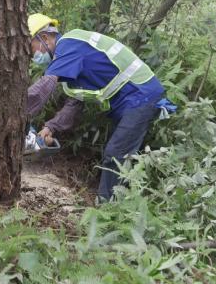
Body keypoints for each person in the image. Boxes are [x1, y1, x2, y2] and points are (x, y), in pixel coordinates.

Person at [26, 13, 165, 202]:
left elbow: (44, 86)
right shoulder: (67, 60)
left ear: (44, 37)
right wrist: (51, 127)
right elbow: (74, 105)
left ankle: (107, 213)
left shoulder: (69, 45)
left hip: (141, 95)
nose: (31, 54)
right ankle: (123, 204)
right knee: (120, 156)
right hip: (129, 102)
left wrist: (18, 116)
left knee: (115, 154)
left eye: (30, 47)